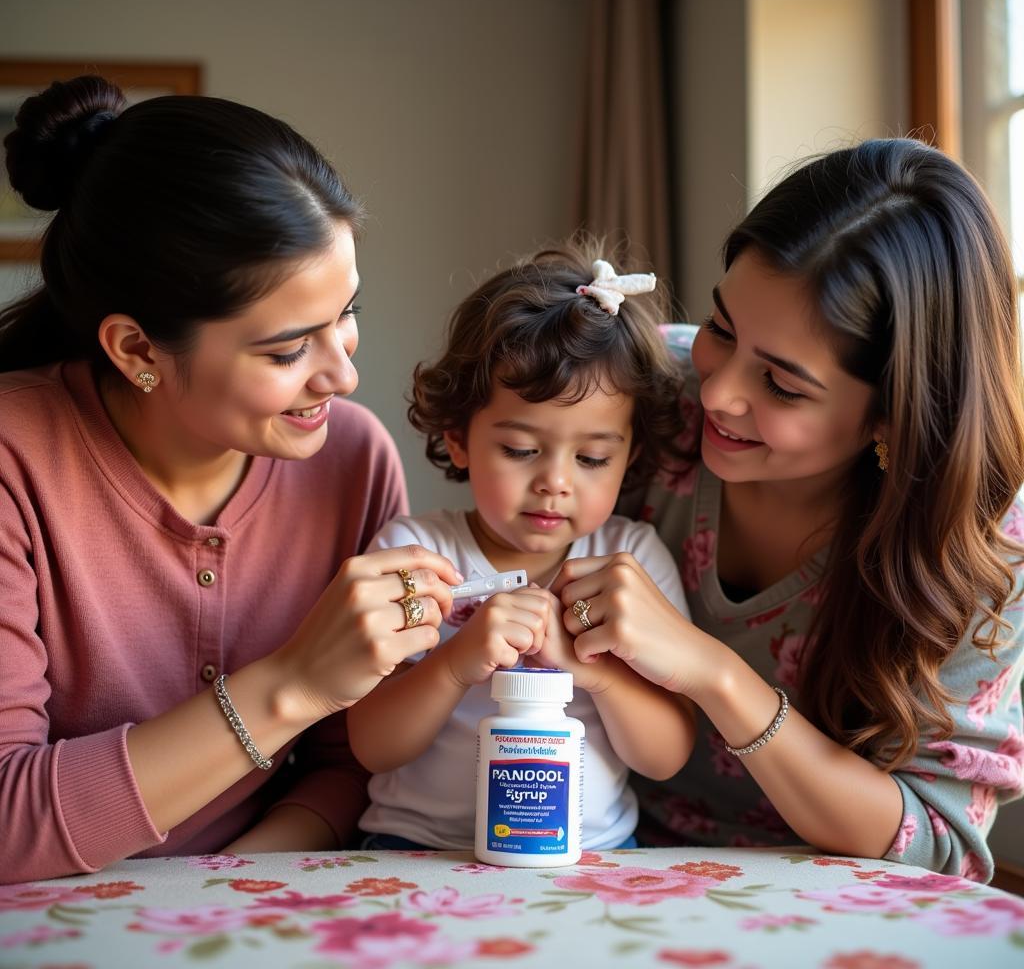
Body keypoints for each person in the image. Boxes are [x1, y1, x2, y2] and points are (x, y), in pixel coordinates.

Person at [0, 75, 459, 885]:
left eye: (347, 313)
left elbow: (352, 761)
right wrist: (289, 684)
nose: (342, 376)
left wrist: (225, 886)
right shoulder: (15, 460)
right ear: (138, 350)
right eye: (287, 351)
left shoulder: (352, 460)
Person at [550, 138, 1024, 881]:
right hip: (593, 855)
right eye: (722, 330)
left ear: (894, 416)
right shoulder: (635, 399)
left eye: (782, 385)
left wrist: (718, 677)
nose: (714, 393)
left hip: (824, 901)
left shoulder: (983, 540)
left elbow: (938, 846)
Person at [347, 245, 698, 850]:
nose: (556, 482)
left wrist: (594, 671)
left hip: (597, 858)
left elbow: (666, 758)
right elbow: (373, 748)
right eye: (520, 450)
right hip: (422, 851)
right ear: (459, 438)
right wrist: (457, 663)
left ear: (630, 456)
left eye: (592, 458)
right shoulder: (416, 553)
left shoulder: (630, 566)